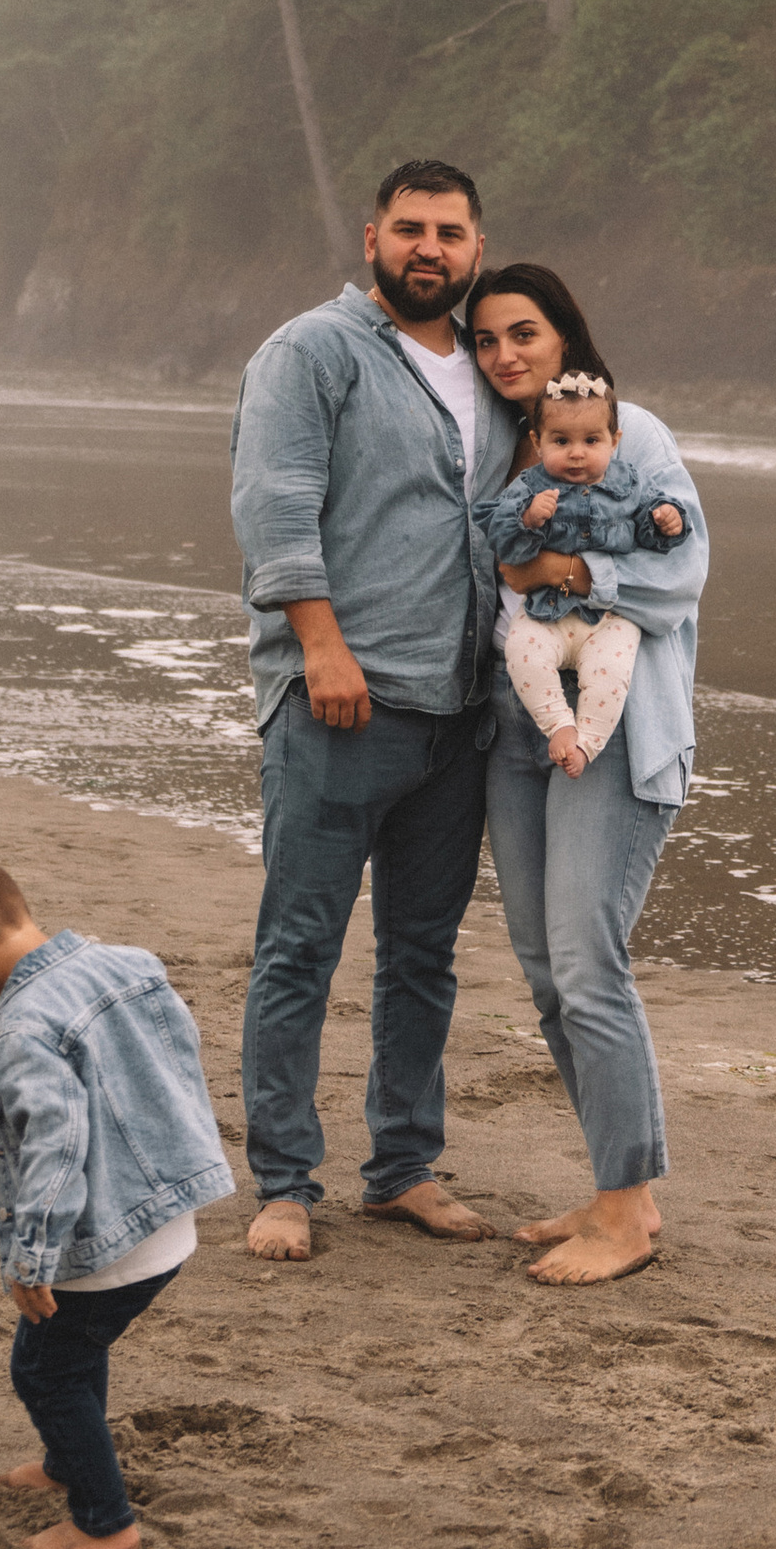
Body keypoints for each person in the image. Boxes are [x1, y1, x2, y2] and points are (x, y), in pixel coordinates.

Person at [228, 158, 516, 1261]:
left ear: (476, 248)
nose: (428, 248)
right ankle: (284, 1184)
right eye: (409, 228)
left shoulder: (488, 368)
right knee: (300, 945)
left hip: (458, 716)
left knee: (420, 955)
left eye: (449, 231)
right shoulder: (313, 351)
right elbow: (276, 503)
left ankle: (400, 1167)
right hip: (338, 702)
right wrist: (318, 647)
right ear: (371, 239)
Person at [0, 847, 235, 1549]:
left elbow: (57, 1140)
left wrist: (33, 1253)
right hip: (170, 1207)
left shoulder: (22, 1029)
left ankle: (104, 1521)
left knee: (45, 1371)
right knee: (78, 1349)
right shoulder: (130, 963)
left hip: (104, 1228)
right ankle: (64, 1461)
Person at [467, 261, 709, 1287]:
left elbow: (680, 574)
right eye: (485, 340)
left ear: (564, 336)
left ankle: (625, 1215)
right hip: (517, 729)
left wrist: (558, 571)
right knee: (542, 968)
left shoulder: (631, 433)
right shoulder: (502, 449)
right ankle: (623, 1192)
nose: (505, 354)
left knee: (586, 960)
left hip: (613, 730)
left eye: (524, 332)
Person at [483, 370, 694, 775]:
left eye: (591, 441)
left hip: (609, 620)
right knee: (522, 651)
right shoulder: (529, 487)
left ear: (614, 442)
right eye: (561, 442)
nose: (577, 453)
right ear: (537, 443)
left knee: (610, 675)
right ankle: (560, 725)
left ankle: (587, 742)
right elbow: (502, 543)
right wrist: (527, 519)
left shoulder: (632, 484)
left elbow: (656, 540)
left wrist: (668, 520)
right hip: (546, 612)